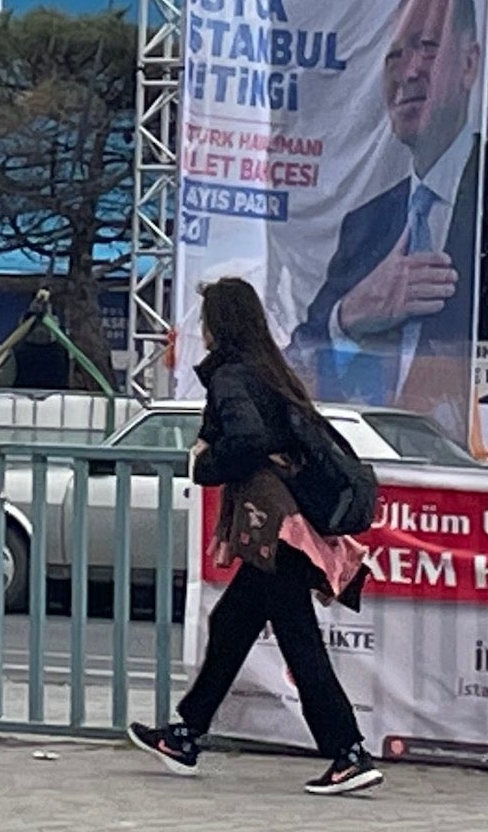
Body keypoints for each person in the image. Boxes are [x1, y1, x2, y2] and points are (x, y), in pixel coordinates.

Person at [128, 276, 379, 796]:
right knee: (232, 624)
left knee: (296, 639)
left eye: (206, 320)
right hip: (283, 524)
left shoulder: (232, 377)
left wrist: (205, 463)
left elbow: (247, 438)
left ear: (220, 324)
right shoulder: (270, 370)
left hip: (274, 527)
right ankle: (185, 734)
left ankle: (347, 752)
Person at [284, 0, 487, 436]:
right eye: (394, 56)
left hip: (475, 458)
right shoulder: (367, 223)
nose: (408, 71)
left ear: (470, 63)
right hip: (375, 458)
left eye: (427, 47)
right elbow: (300, 354)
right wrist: (350, 313)